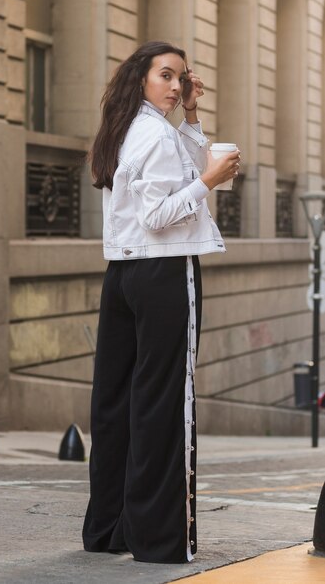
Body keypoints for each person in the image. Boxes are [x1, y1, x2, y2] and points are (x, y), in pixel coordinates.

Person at [82, 41, 240, 564]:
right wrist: (209, 183)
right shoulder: (152, 133)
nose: (175, 87)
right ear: (142, 79)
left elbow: (182, 162)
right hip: (164, 270)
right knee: (166, 402)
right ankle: (160, 537)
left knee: (116, 402)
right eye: (166, 77)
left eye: (182, 78)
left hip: (123, 274)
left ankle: (110, 529)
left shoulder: (131, 127)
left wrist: (193, 114)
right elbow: (160, 213)